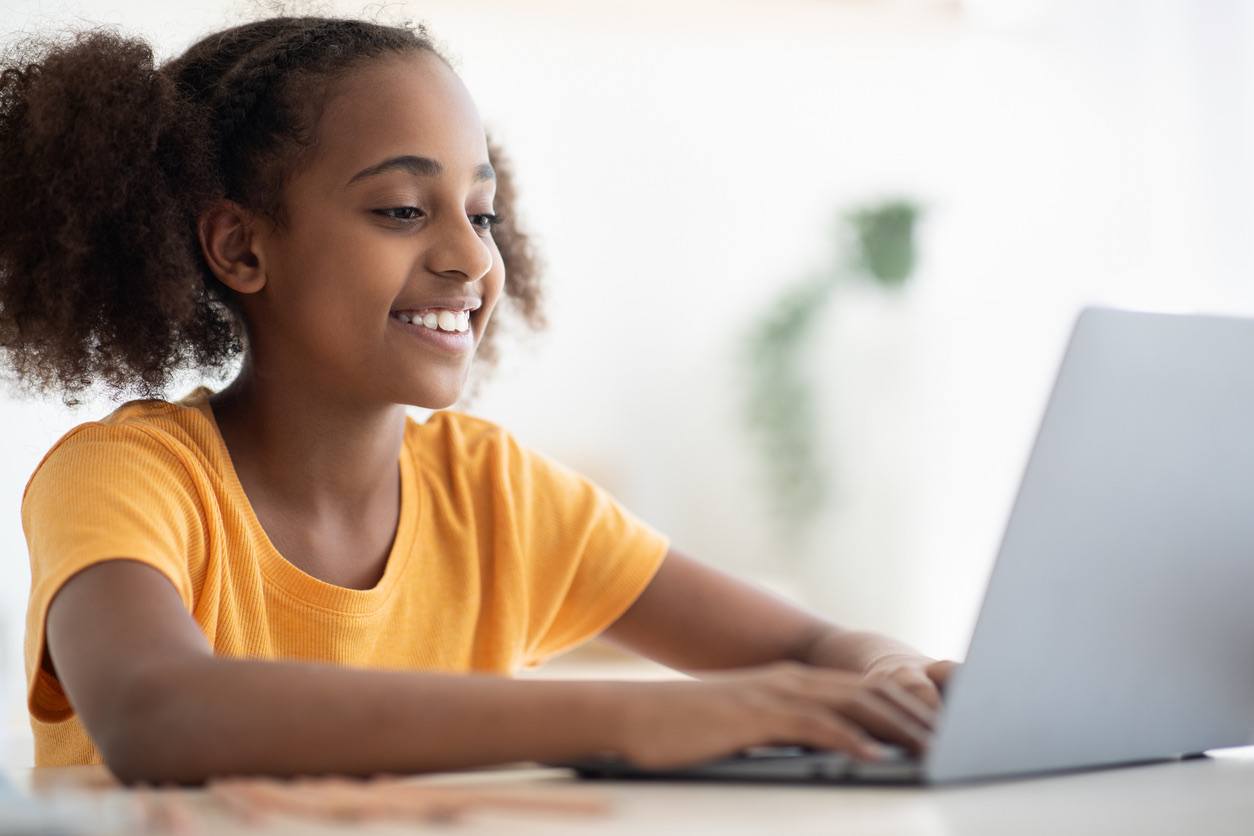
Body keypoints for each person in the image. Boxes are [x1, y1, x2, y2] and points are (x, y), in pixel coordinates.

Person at [0, 15, 955, 784]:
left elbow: (808, 643)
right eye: (404, 210)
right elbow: (156, 712)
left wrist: (891, 677)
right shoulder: (127, 478)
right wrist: (636, 714)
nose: (472, 257)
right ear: (242, 249)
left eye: (483, 212)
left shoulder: (496, 496)